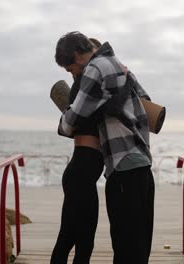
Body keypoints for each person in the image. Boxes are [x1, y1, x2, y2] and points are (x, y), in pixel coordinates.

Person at [54, 31, 155, 264]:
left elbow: (72, 120)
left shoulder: (94, 69)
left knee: (124, 243)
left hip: (122, 164)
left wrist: (63, 124)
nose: (74, 75)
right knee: (139, 242)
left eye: (70, 69)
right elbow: (147, 104)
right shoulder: (121, 67)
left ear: (78, 56)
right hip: (142, 161)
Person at [50, 39, 104, 264]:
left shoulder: (85, 87)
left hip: (80, 174)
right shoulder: (85, 86)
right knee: (80, 240)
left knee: (71, 237)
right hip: (81, 174)